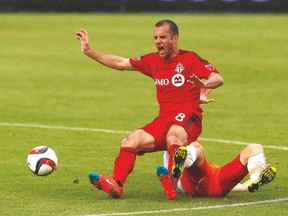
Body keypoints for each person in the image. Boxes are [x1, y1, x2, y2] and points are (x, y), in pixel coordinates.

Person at [76, 19, 224, 198]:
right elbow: (122, 63)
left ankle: (171, 181)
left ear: (175, 38)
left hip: (189, 118)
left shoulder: (190, 59)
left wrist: (205, 83)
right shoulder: (152, 60)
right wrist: (90, 52)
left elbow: (217, 78)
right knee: (131, 140)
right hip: (164, 120)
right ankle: (117, 183)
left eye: (162, 37)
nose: (157, 41)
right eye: (155, 37)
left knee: (174, 135)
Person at [157, 142, 277, 200]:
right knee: (255, 148)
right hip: (218, 187)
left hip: (190, 184)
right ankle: (256, 176)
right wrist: (257, 173)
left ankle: (183, 162)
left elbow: (166, 164)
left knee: (196, 147)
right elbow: (243, 187)